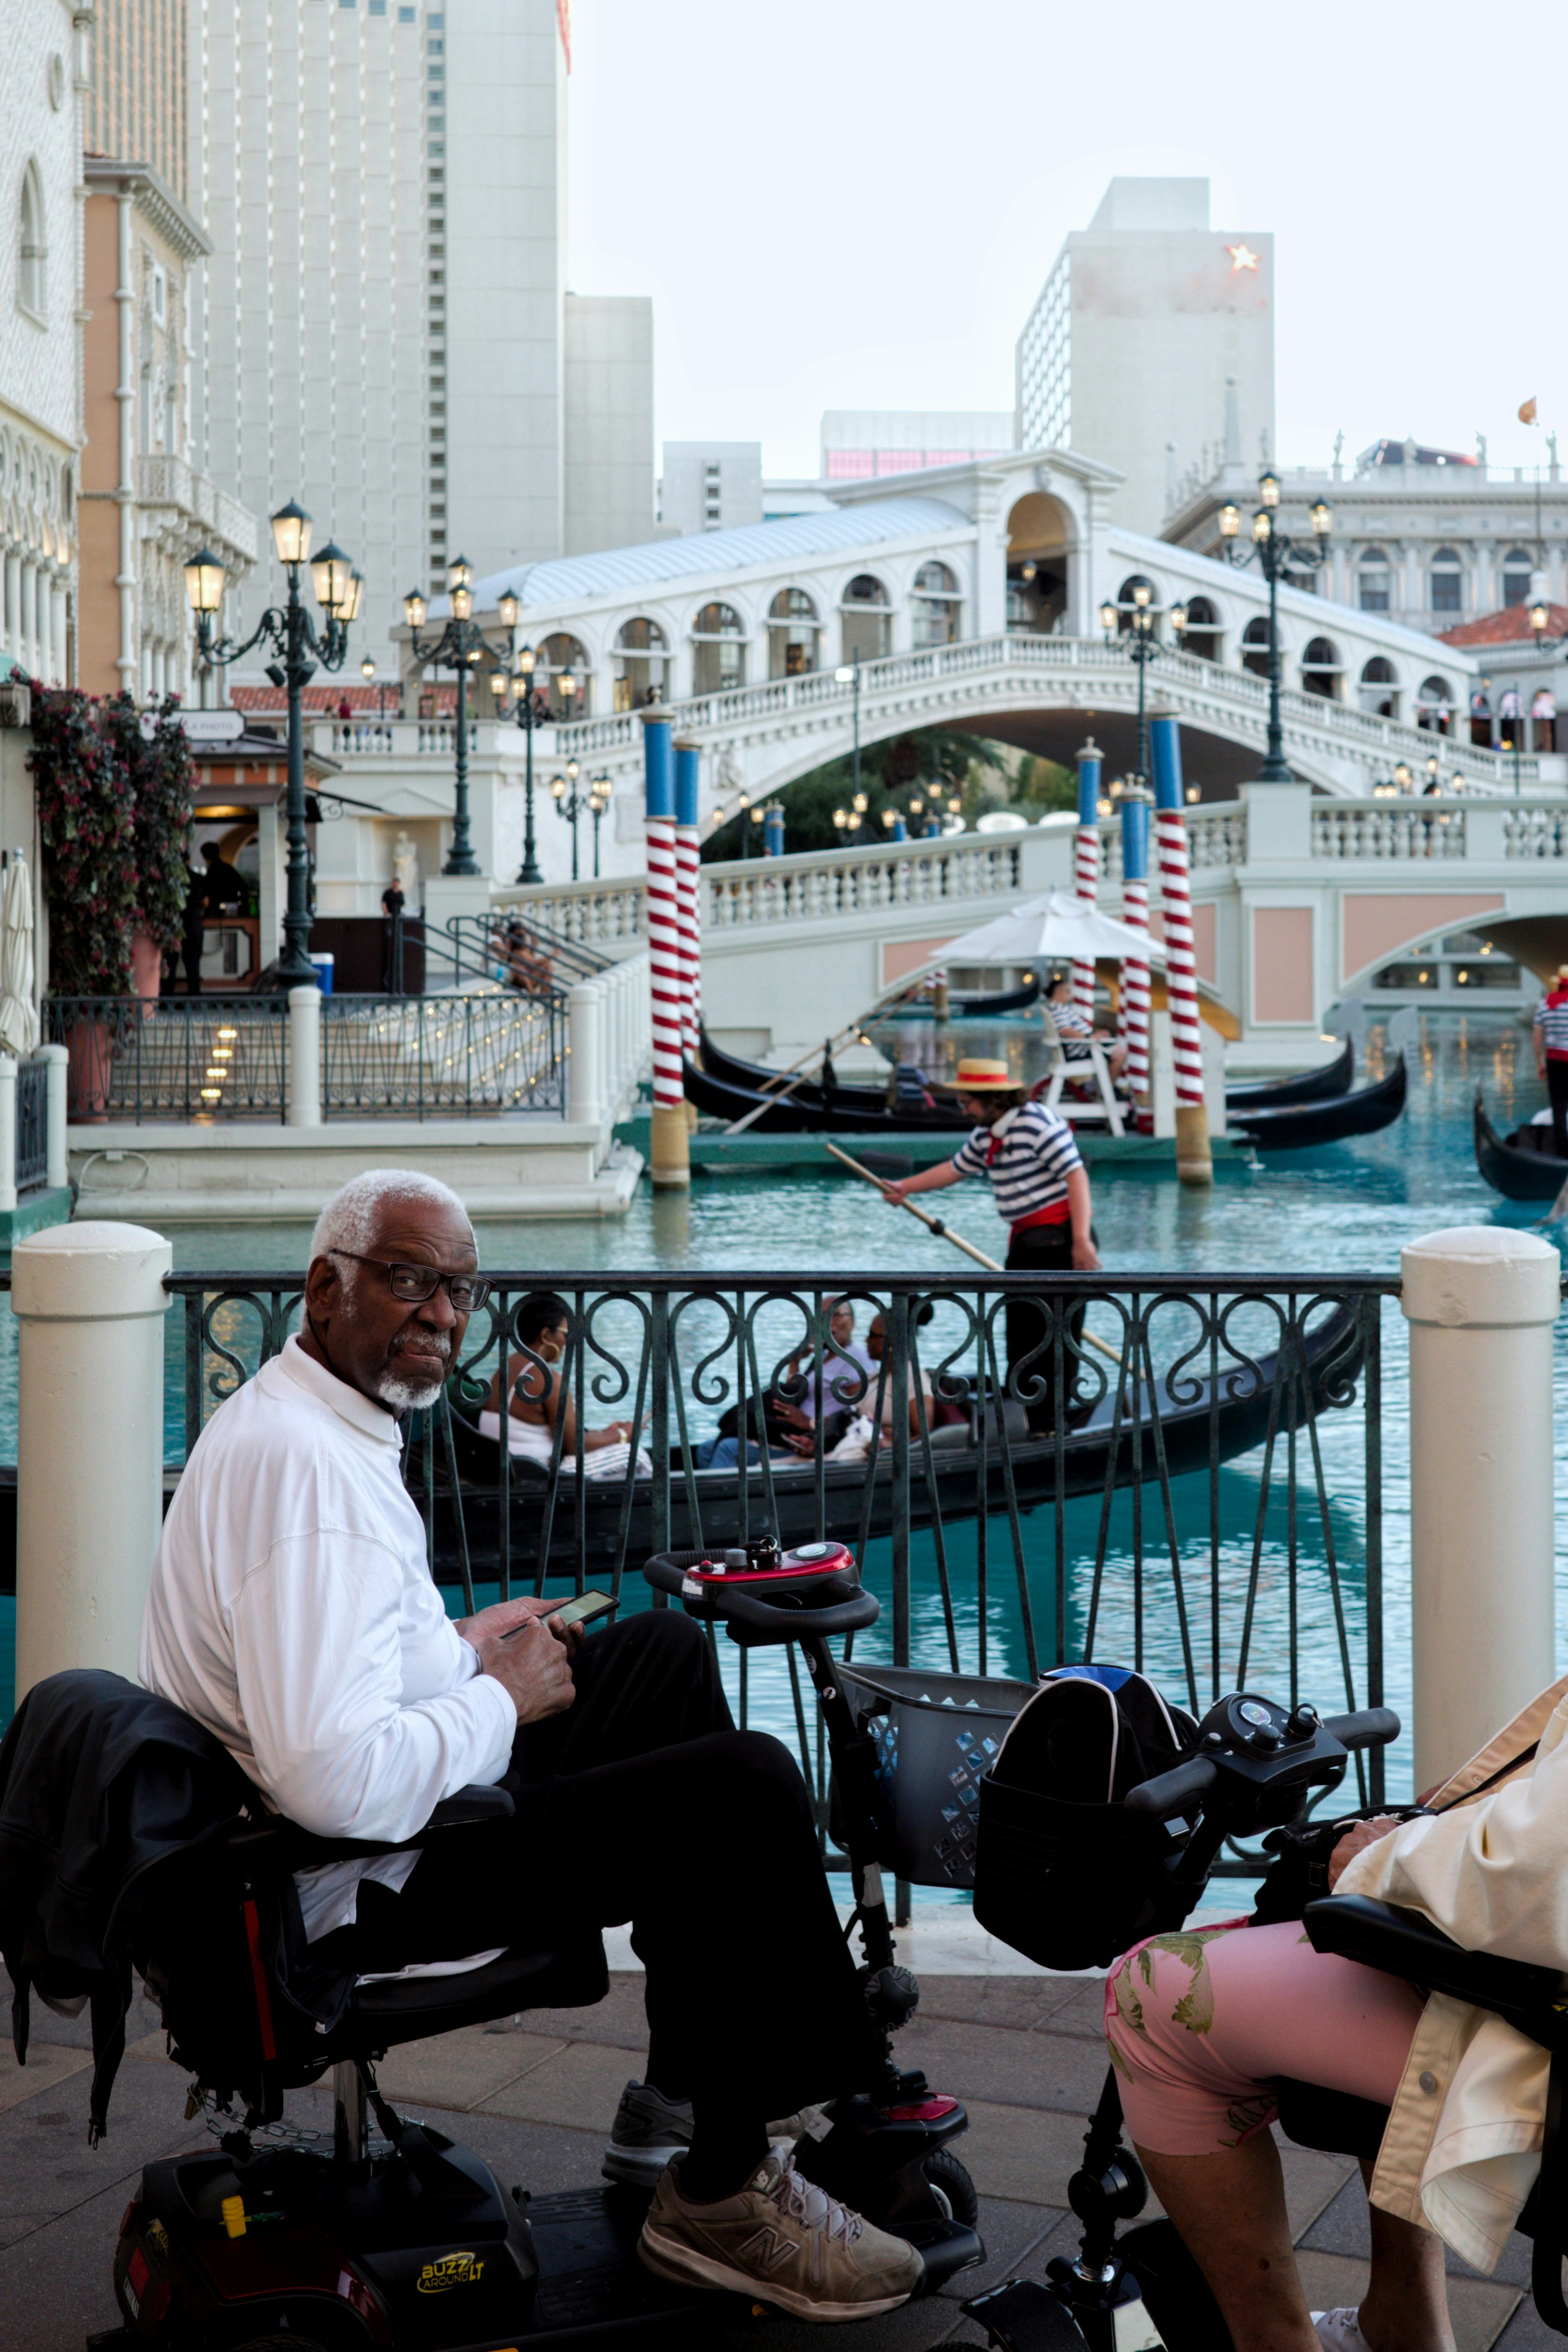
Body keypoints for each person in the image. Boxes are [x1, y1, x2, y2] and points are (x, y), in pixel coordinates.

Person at [138, 1170, 922, 2321]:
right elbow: (329, 1779)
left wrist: (456, 1647)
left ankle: (688, 2085)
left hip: (326, 1840)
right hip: (345, 1887)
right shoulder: (310, 1478)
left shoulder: (302, 1418)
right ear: (324, 1284)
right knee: (744, 1787)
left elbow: (327, 1670)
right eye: (410, 1280)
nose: (444, 1314)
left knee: (654, 1651)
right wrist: (499, 1702)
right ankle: (719, 2187)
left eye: (459, 1286)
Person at [1099, 1671, 1568, 2352]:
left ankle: (1275, 2340)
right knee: (1374, 1940)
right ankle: (1403, 2325)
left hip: (1544, 2039)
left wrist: (1373, 1855)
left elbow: (1531, 1878)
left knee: (1148, 1992)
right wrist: (1453, 1815)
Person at [881, 1059, 1098, 1433]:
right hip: (1028, 1244)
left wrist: (1080, 1241)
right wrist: (906, 1188)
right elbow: (955, 1167)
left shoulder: (1037, 1122)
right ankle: (1033, 1416)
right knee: (1022, 1336)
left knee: (1057, 1335)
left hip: (1061, 1240)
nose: (963, 1109)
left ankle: (1053, 1420)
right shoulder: (988, 1134)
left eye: (968, 1102)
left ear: (992, 1099)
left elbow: (1075, 1174)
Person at [479, 1289, 645, 1479]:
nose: (567, 1342)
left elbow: (560, 1434)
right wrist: (624, 1434)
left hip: (507, 1466)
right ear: (546, 1335)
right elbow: (573, 1446)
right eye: (565, 1334)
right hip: (538, 1471)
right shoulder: (548, 1379)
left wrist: (607, 1434)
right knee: (637, 1456)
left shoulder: (505, 1367)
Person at [1044, 973, 1128, 1085]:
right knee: (1120, 1053)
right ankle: (1109, 1090)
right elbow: (1065, 1030)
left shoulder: (1057, 1008)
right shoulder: (1058, 1009)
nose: (1070, 995)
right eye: (1068, 991)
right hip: (1081, 1050)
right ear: (1058, 991)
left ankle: (1099, 1089)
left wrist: (1094, 1035)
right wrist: (1090, 1037)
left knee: (1115, 1050)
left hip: (1084, 1046)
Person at [1534, 965, 1568, 1158]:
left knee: (1559, 1106)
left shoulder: (1545, 1005)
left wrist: (1540, 1063)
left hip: (1554, 1060)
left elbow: (1537, 1039)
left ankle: (1563, 1152)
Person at [200, 839, 247, 915]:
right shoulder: (228, 869)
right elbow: (243, 887)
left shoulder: (212, 872)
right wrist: (242, 906)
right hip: (231, 908)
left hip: (215, 910)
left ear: (205, 856)